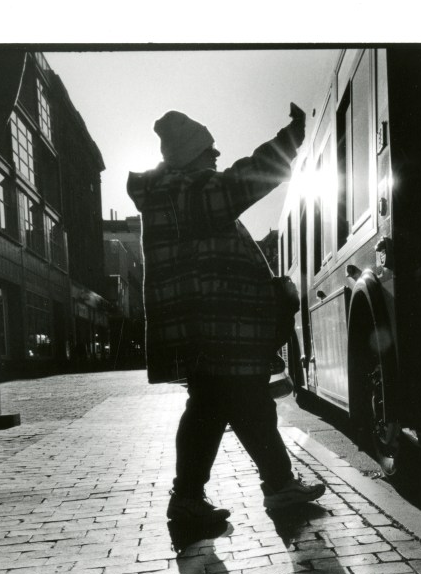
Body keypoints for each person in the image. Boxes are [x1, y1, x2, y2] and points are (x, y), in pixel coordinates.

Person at [127, 104, 324, 522]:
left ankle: (214, 495)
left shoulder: (177, 194)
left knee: (220, 408)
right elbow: (245, 179)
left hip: (210, 329)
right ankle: (262, 489)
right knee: (239, 406)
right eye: (209, 149)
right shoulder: (188, 194)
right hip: (216, 330)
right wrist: (291, 138)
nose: (216, 156)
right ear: (191, 154)